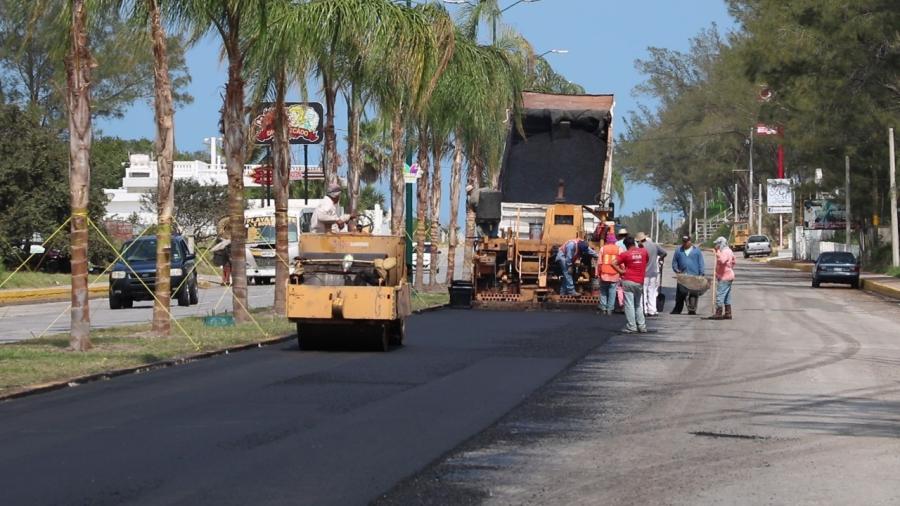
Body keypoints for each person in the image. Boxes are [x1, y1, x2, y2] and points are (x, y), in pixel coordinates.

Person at [612, 236, 649, 333]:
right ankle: (642, 326)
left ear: (626, 245)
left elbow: (613, 263)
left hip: (628, 280)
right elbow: (646, 261)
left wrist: (621, 271)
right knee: (638, 304)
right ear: (634, 243)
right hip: (639, 281)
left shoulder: (625, 254)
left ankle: (632, 326)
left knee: (629, 304)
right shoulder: (644, 252)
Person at [671, 235, 705, 315]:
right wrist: (676, 270)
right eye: (683, 241)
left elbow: (701, 263)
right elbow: (674, 262)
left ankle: (692, 309)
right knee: (681, 293)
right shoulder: (678, 250)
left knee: (693, 293)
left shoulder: (697, 251)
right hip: (682, 275)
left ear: (690, 241)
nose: (685, 243)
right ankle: (677, 309)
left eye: (686, 241)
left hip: (694, 275)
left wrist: (701, 273)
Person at [637, 232, 666, 317]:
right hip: (654, 271)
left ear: (640, 240)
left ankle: (644, 310)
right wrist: (660, 258)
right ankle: (652, 310)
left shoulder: (641, 247)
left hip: (644, 272)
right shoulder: (655, 245)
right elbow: (664, 253)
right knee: (652, 292)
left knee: (643, 292)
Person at [709, 236, 736, 320]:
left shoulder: (724, 251)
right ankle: (728, 313)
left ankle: (718, 313)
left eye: (717, 244)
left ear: (721, 244)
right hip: (729, 275)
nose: (716, 245)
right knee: (727, 295)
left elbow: (722, 260)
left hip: (725, 277)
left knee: (720, 294)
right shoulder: (729, 251)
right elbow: (734, 261)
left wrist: (717, 252)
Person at [596, 233, 621, 314]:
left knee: (603, 291)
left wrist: (598, 273)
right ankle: (610, 309)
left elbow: (599, 262)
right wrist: (622, 272)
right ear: (614, 241)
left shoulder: (603, 249)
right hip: (615, 274)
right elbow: (622, 263)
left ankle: (603, 308)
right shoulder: (619, 249)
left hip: (604, 273)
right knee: (612, 291)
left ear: (607, 241)